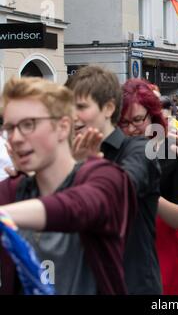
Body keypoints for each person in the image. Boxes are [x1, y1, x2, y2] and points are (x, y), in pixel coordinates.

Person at [0, 77, 135, 294]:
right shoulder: (12, 190)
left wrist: (4, 215)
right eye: (9, 128)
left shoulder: (106, 177)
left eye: (28, 125)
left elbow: (78, 207)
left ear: (63, 127)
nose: (15, 138)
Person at [67, 65, 162, 294]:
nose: (72, 116)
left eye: (80, 107)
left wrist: (83, 165)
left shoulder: (139, 148)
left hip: (132, 284)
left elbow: (117, 191)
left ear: (108, 108)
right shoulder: (66, 152)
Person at [120, 78, 178, 295]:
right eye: (124, 122)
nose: (132, 128)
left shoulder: (173, 152)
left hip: (163, 254)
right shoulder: (108, 153)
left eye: (138, 120)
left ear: (152, 116)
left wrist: (151, 195)